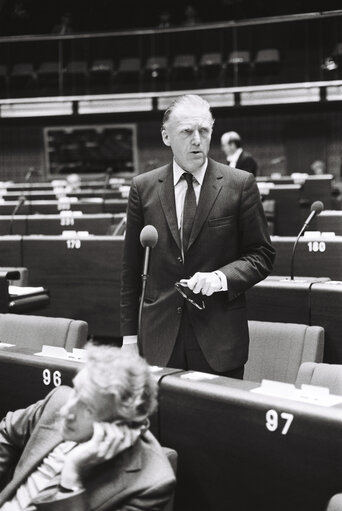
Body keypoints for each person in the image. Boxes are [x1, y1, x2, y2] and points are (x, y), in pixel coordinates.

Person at [121, 94, 275, 378]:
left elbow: (261, 255)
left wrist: (220, 278)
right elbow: (132, 270)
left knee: (218, 422)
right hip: (158, 338)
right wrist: (129, 338)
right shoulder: (143, 188)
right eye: (187, 132)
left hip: (219, 338)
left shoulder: (239, 184)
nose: (197, 139)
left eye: (204, 131)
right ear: (166, 137)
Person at [0, 344, 175, 510]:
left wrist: (72, 478)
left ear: (119, 423)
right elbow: (6, 432)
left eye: (88, 408)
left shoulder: (151, 483)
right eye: (76, 390)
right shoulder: (59, 400)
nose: (66, 410)